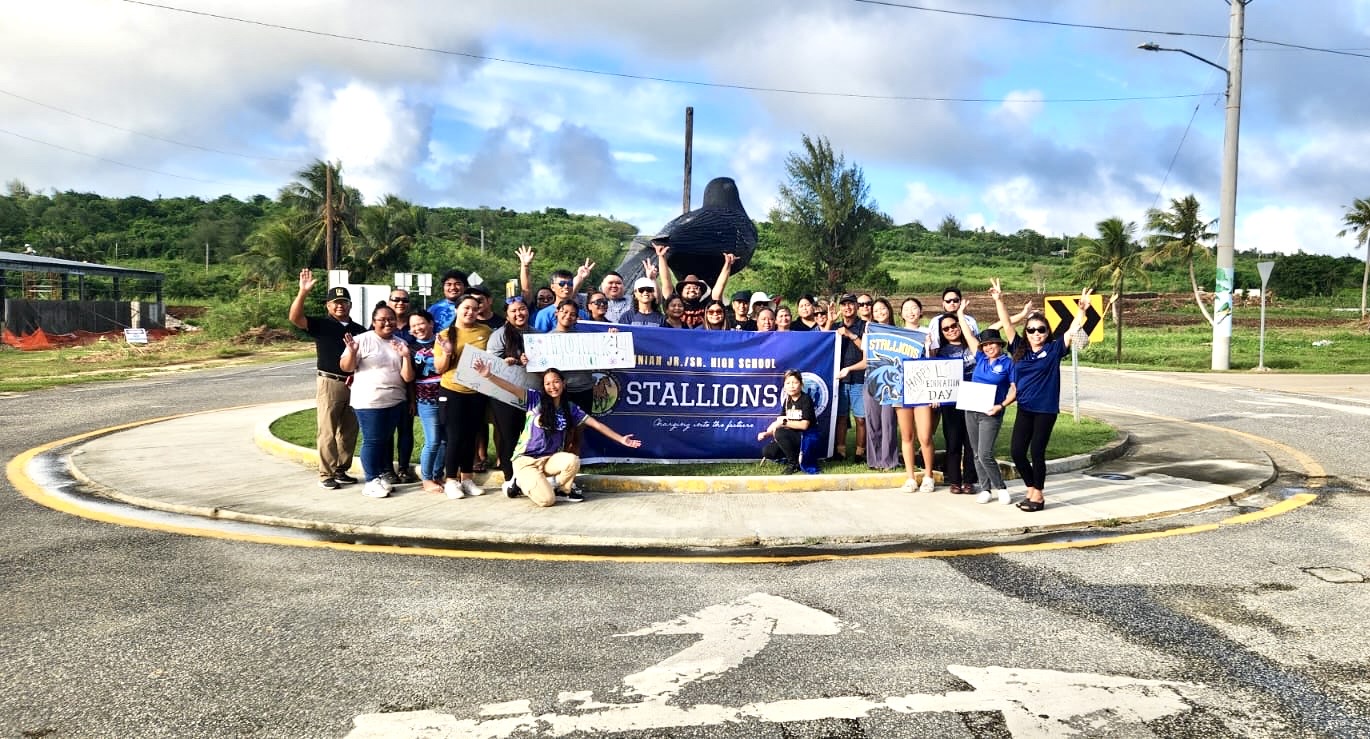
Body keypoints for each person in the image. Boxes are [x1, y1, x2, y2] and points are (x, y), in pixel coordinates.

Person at [471, 359, 642, 506]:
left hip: (549, 460)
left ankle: (562, 489)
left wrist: (621, 439)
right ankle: (518, 483)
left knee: (572, 460)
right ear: (543, 386)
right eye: (548, 383)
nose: (552, 386)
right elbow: (510, 388)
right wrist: (488, 375)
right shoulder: (534, 400)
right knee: (547, 501)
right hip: (526, 460)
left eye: (556, 381)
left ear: (563, 383)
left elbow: (596, 425)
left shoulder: (570, 408)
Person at [1003, 286, 1093, 512]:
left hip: (1045, 409)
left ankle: (1038, 496)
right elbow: (1006, 324)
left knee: (1037, 452)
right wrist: (999, 299)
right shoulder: (1019, 349)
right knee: (1016, 452)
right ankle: (1031, 488)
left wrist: (1081, 311)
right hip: (1025, 408)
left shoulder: (1053, 350)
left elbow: (1072, 331)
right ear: (1026, 332)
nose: (1036, 333)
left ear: (1047, 331)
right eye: (1031, 330)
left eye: (1040, 329)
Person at [288, 269, 367, 490]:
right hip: (330, 382)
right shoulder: (321, 325)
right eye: (335, 303)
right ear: (328, 306)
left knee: (350, 430)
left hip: (354, 383)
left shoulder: (359, 330)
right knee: (328, 429)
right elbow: (295, 318)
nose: (339, 306)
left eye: (343, 302)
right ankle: (326, 473)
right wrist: (302, 292)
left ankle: (342, 469)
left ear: (350, 305)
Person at [339, 302, 415, 498]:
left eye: (390, 319)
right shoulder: (361, 340)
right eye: (382, 320)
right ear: (374, 322)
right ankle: (371, 480)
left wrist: (406, 356)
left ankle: (379, 476)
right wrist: (353, 351)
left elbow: (407, 377)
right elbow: (346, 367)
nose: (387, 323)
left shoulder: (400, 343)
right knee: (372, 441)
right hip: (369, 401)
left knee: (382, 441)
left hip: (395, 400)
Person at [959, 286, 1016, 505]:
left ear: (999, 345)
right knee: (975, 453)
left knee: (985, 453)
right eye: (986, 344)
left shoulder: (1008, 363)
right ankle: (985, 489)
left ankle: (1000, 487)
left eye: (993, 343)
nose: (989, 347)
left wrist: (1002, 405)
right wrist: (960, 315)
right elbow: (967, 334)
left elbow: (1014, 389)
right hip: (971, 409)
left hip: (991, 411)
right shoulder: (981, 358)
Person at [433, 293, 493, 499]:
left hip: (476, 392)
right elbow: (439, 369)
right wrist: (448, 353)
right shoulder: (445, 334)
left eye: (475, 309)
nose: (470, 312)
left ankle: (467, 479)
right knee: (454, 437)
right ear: (457, 309)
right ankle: (451, 480)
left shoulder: (486, 331)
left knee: (471, 437)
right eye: (466, 308)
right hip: (452, 391)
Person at [486, 294, 534, 496]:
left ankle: (529, 477)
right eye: (513, 311)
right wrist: (509, 360)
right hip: (505, 396)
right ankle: (510, 478)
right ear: (506, 315)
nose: (519, 313)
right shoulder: (499, 335)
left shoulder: (537, 334)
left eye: (522, 309)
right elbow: (488, 365)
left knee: (531, 439)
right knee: (509, 439)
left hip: (533, 396)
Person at [894, 296, 937, 492]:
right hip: (901, 390)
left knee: (925, 435)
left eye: (914, 308)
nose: (911, 312)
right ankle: (910, 477)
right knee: (907, 435)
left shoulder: (928, 333)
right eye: (907, 309)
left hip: (922, 391)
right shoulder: (895, 334)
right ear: (901, 314)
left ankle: (929, 475)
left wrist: (935, 393)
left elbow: (935, 364)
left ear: (920, 311)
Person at [934, 310, 978, 495]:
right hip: (951, 400)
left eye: (954, 326)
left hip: (973, 396)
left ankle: (969, 481)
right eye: (946, 329)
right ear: (942, 333)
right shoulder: (941, 352)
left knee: (971, 442)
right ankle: (954, 481)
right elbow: (933, 376)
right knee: (953, 441)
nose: (951, 330)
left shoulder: (973, 344)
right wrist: (935, 396)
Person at [405, 309, 447, 495]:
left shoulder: (441, 341)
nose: (417, 328)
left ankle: (438, 475)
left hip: (447, 398)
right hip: (426, 401)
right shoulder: (410, 348)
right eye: (413, 325)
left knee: (445, 440)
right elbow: (410, 379)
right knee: (433, 440)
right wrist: (413, 401)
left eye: (421, 323)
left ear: (430, 323)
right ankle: (426, 478)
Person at [863, 298, 901, 470]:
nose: (879, 312)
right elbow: (866, 360)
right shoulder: (869, 332)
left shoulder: (900, 332)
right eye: (876, 310)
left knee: (888, 422)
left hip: (892, 383)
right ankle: (874, 460)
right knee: (873, 422)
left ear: (889, 310)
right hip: (872, 380)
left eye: (882, 309)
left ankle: (889, 460)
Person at [756, 369, 816, 474]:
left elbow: (804, 425)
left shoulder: (806, 399)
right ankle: (795, 456)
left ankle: (794, 464)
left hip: (805, 437)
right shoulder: (787, 400)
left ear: (801, 384)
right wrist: (767, 433)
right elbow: (779, 421)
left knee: (780, 432)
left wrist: (784, 423)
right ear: (784, 386)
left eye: (795, 383)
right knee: (768, 452)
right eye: (788, 383)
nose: (791, 386)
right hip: (790, 436)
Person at [832, 294, 867, 463]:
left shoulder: (864, 326)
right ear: (841, 308)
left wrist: (850, 335)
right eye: (844, 305)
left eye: (850, 304)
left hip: (859, 378)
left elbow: (867, 349)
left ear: (856, 306)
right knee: (841, 418)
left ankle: (860, 452)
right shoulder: (836, 326)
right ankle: (840, 450)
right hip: (840, 379)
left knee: (861, 418)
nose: (847, 307)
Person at [531, 259, 593, 332]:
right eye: (561, 284)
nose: (566, 286)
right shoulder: (544, 314)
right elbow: (540, 339)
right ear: (552, 287)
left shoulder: (583, 314)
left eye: (570, 284)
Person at [928, 287, 979, 352]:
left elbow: (976, 339)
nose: (952, 303)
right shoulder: (936, 321)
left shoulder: (970, 320)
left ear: (960, 301)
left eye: (955, 300)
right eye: (948, 301)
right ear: (943, 304)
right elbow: (933, 345)